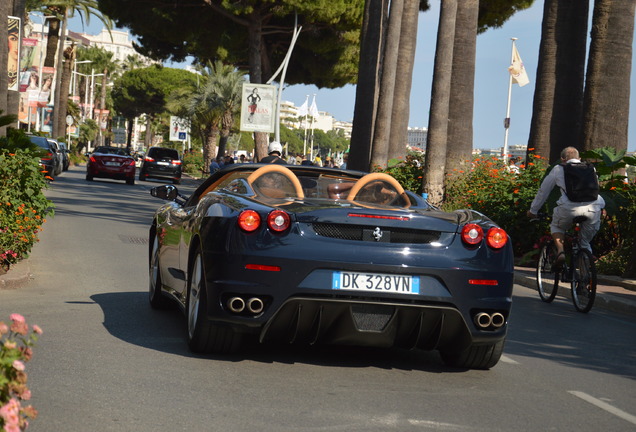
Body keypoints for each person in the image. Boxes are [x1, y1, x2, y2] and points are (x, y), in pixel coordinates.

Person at [527, 146, 605, 269]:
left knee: (556, 226)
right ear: (579, 158)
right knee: (584, 243)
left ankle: (561, 252)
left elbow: (543, 191)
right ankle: (585, 280)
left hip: (569, 208)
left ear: (562, 159)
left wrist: (533, 211)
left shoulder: (558, 169)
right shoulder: (590, 168)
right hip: (593, 208)